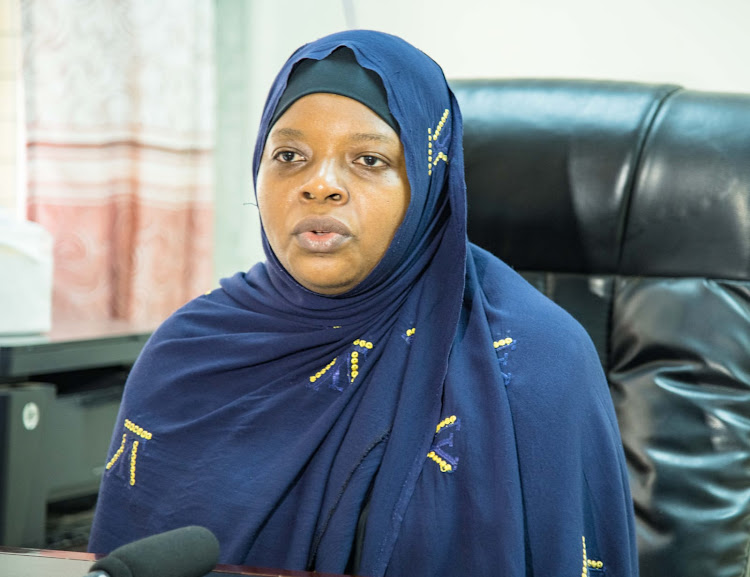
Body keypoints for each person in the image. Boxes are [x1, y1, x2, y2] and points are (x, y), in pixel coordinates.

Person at [88, 30, 638, 576]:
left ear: (429, 182)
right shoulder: (189, 354)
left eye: (369, 160)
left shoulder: (537, 363)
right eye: (289, 155)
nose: (320, 185)